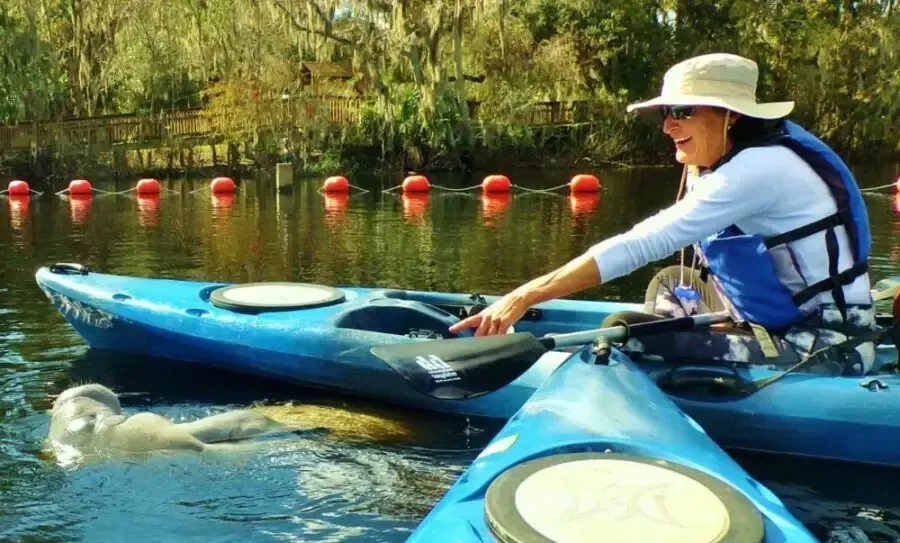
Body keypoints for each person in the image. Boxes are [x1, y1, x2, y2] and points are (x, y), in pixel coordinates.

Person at [448, 53, 879, 374]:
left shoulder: (761, 168)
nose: (667, 125)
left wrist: (524, 295)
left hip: (826, 344)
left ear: (729, 116)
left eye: (682, 112)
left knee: (627, 336)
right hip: (773, 318)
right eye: (665, 113)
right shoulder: (732, 158)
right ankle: (711, 342)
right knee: (671, 284)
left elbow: (646, 241)